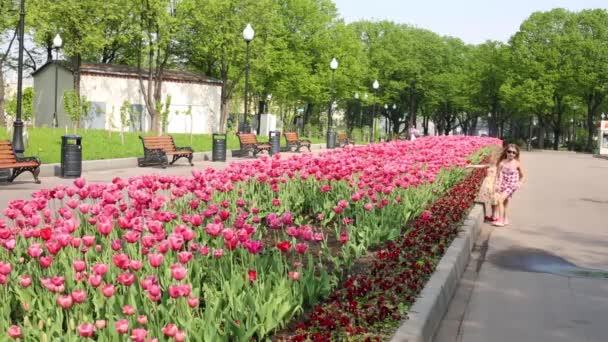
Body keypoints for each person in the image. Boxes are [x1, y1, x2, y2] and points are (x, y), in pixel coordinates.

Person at [493, 144, 526, 227]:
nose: (511, 154)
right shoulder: (502, 163)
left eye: (514, 153)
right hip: (503, 184)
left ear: (516, 154)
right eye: (509, 151)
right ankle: (505, 219)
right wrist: (496, 185)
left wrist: (519, 183)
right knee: (504, 202)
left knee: (500, 200)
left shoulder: (517, 163)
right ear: (506, 152)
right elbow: (497, 175)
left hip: (512, 185)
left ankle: (500, 220)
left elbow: (523, 176)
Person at [467, 150, 500, 221]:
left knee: (494, 200)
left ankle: (495, 215)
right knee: (490, 199)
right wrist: (471, 165)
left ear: (497, 159)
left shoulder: (498, 167)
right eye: (491, 158)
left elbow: (499, 177)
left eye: (493, 158)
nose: (491, 159)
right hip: (487, 183)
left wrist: (496, 186)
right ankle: (491, 215)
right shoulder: (490, 165)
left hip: (493, 184)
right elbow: (481, 166)